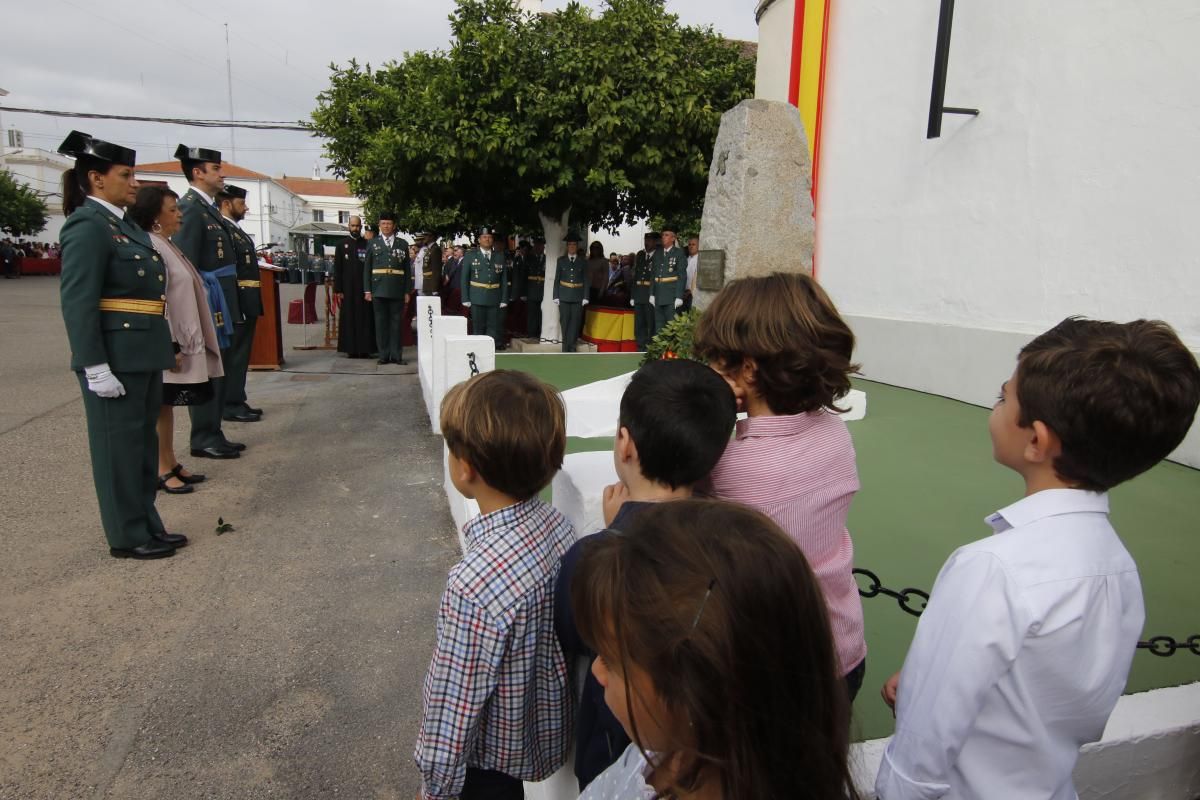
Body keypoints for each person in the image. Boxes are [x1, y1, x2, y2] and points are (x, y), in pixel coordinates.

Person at [875, 317, 1200, 800]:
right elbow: (1074, 707)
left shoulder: (991, 568)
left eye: (1005, 397)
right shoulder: (1117, 564)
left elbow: (920, 756)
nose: (997, 405)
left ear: (1036, 441)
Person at [571, 499, 861, 799]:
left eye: (610, 660)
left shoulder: (671, 742)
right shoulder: (672, 744)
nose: (597, 671)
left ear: (694, 693)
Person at [554, 359, 737, 790]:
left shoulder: (593, 557)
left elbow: (572, 631)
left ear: (625, 443)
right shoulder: (734, 543)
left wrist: (619, 529)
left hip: (614, 742)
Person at [694, 271, 868, 699]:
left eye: (718, 359)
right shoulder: (833, 433)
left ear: (748, 372)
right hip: (842, 652)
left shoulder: (727, 463)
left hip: (770, 672)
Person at [415, 370, 576, 800]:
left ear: (465, 469)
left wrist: (435, 789)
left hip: (482, 767)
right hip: (532, 735)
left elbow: (452, 706)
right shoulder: (558, 527)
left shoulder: (473, 587)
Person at [56, 130, 185, 559]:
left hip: (142, 353)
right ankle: (127, 536)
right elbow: (79, 302)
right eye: (126, 174)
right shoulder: (87, 226)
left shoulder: (122, 224)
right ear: (96, 179)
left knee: (141, 449)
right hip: (115, 357)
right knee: (119, 451)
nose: (135, 183)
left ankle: (146, 522)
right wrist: (94, 364)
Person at [129, 185, 224, 495]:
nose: (179, 214)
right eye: (173, 210)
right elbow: (158, 299)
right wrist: (170, 344)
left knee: (165, 406)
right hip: (170, 341)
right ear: (155, 217)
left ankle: (169, 461)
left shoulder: (166, 244)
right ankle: (160, 468)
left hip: (183, 338)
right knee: (159, 405)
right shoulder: (152, 246)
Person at [172, 143, 244, 460]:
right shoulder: (190, 208)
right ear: (198, 173)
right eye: (216, 169)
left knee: (219, 367)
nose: (222, 173)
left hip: (220, 301)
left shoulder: (209, 208)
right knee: (207, 366)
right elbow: (185, 262)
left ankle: (213, 431)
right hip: (207, 300)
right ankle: (203, 435)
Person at [216, 183, 263, 422]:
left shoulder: (235, 230)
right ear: (226, 203)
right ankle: (229, 403)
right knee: (234, 354)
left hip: (246, 299)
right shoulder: (223, 230)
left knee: (241, 354)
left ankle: (237, 397)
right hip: (236, 301)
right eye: (241, 203)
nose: (245, 208)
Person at [363, 211, 411, 365]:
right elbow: (367, 268)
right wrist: (367, 290)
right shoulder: (372, 243)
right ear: (379, 225)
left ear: (394, 226)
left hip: (397, 290)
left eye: (389, 223)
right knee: (381, 324)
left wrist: (407, 291)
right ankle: (383, 355)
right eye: (383, 223)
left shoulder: (402, 244)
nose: (386, 226)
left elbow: (407, 270)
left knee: (397, 324)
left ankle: (396, 355)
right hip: (378, 289)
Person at [332, 215, 375, 358]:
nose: (355, 228)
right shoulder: (341, 245)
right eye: (353, 226)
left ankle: (365, 349)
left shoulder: (367, 244)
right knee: (349, 319)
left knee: (365, 319)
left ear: (361, 227)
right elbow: (337, 269)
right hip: (348, 289)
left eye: (358, 226)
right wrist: (338, 290)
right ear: (348, 227)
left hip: (364, 289)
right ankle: (351, 349)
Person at [459, 226, 508, 348]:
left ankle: (491, 353)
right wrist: (465, 298)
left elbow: (504, 279)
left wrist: (504, 299)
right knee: (478, 328)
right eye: (484, 237)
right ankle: (478, 351)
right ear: (479, 240)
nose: (487, 239)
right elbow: (464, 278)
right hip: (477, 297)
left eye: (490, 237)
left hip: (494, 297)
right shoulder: (470, 255)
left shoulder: (499, 256)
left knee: (493, 328)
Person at [553, 231, 589, 352]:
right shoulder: (561, 261)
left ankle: (572, 347)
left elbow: (586, 280)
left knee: (575, 323)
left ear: (577, 247)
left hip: (578, 297)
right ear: (567, 246)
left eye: (574, 244)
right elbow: (557, 279)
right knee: (564, 322)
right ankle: (565, 347)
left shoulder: (583, 262)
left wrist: (586, 297)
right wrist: (555, 296)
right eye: (570, 244)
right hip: (564, 296)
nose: (572, 247)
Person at [651, 227, 688, 334]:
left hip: (671, 296)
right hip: (658, 295)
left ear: (673, 238)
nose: (663, 237)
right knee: (659, 327)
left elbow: (682, 275)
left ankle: (671, 351)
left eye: (666, 235)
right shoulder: (658, 253)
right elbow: (653, 274)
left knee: (671, 328)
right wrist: (651, 294)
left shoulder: (679, 253)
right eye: (663, 235)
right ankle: (661, 351)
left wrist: (679, 296)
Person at [631, 232, 658, 350]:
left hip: (650, 294)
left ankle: (649, 349)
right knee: (639, 324)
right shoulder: (641, 256)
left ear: (655, 242)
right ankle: (640, 347)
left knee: (650, 324)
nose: (647, 243)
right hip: (639, 294)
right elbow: (635, 277)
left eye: (650, 241)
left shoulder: (658, 256)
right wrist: (633, 295)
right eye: (646, 241)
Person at [525, 237, 547, 338]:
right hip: (531, 290)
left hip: (544, 290)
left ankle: (541, 334)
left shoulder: (547, 258)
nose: (538, 247)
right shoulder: (528, 258)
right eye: (537, 245)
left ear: (543, 246)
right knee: (532, 315)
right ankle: (531, 334)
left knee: (543, 314)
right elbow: (523, 276)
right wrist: (524, 292)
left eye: (541, 245)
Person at [441, 244, 464, 316]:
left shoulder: (465, 261)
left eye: (456, 250)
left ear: (462, 252)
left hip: (460, 289)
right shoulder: (455, 261)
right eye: (454, 251)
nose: (454, 252)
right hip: (453, 288)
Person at [586, 240, 607, 305]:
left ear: (600, 249)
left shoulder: (604, 261)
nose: (595, 250)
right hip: (587, 289)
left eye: (597, 248)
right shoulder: (588, 260)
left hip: (598, 289)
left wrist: (602, 290)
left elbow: (605, 277)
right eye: (593, 248)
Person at [683, 236, 699, 311]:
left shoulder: (700, 260)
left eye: (693, 244)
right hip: (682, 294)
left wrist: (689, 291)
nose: (691, 246)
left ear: (698, 246)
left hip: (692, 294)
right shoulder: (685, 259)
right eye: (689, 244)